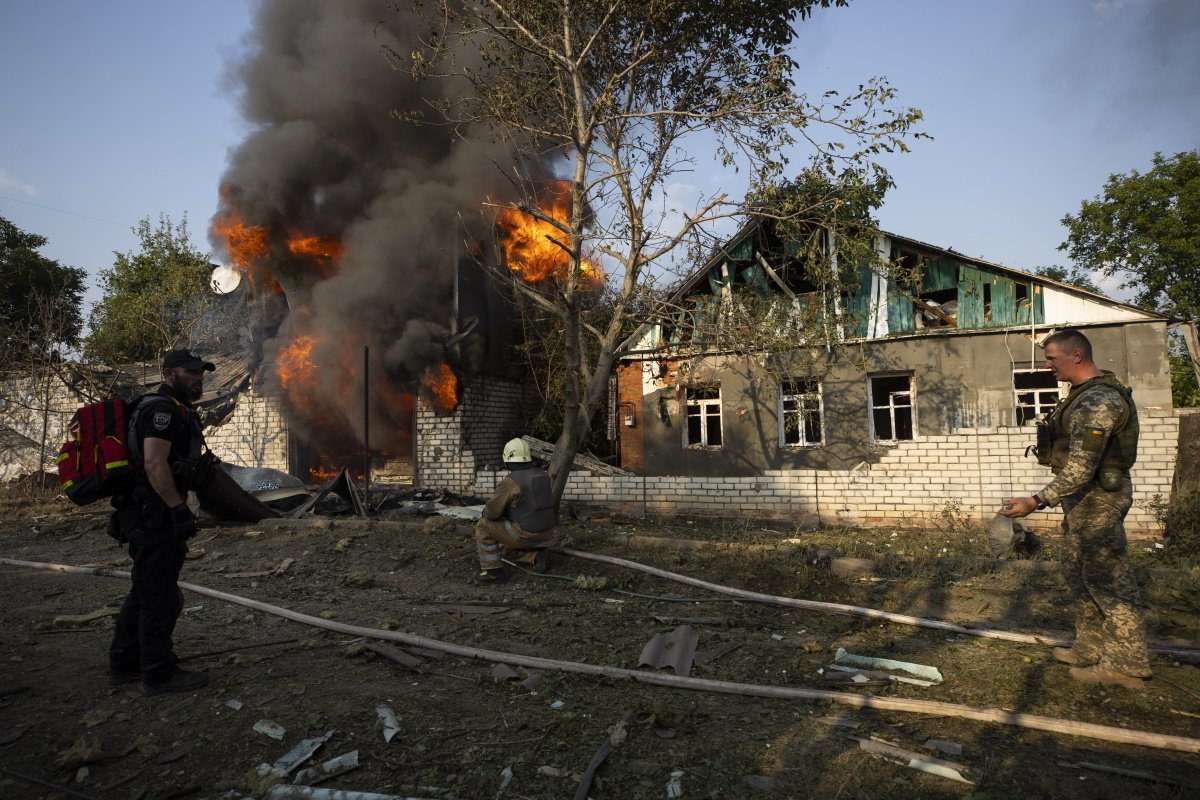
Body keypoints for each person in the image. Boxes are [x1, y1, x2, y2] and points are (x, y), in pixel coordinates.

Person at [1001, 329, 1150, 689]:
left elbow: (1083, 466)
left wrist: (1036, 501)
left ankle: (1128, 665)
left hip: (1099, 498)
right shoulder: (1080, 396)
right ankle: (1090, 646)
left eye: (1052, 358)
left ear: (1077, 356)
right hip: (1081, 500)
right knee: (1077, 570)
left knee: (1108, 578)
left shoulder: (1099, 401)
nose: (1048, 365)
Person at [108, 349, 216, 695]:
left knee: (145, 589)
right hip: (153, 514)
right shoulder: (162, 411)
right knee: (161, 597)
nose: (199, 377)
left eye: (201, 371)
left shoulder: (166, 407)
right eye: (191, 371)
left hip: (145, 512)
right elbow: (155, 463)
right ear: (170, 373)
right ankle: (159, 672)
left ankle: (125, 663)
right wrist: (177, 508)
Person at [472, 438, 557, 585]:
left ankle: (493, 572)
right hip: (549, 533)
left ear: (507, 459)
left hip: (526, 535)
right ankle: (534, 556)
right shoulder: (543, 475)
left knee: (483, 526)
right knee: (504, 549)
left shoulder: (511, 481)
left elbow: (492, 513)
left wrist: (487, 513)